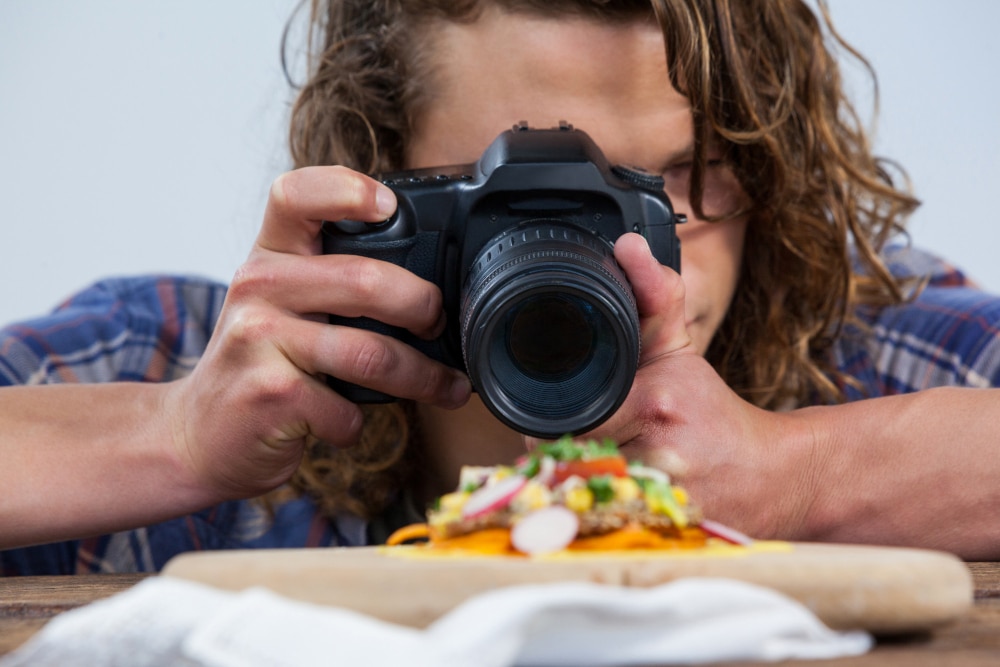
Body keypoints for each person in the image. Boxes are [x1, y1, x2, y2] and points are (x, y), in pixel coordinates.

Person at [3, 0, 1000, 575]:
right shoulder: (201, 367)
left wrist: (803, 474)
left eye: (678, 190)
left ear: (765, 178)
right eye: (528, 201)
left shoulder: (868, 361)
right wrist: (164, 438)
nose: (617, 268)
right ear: (378, 191)